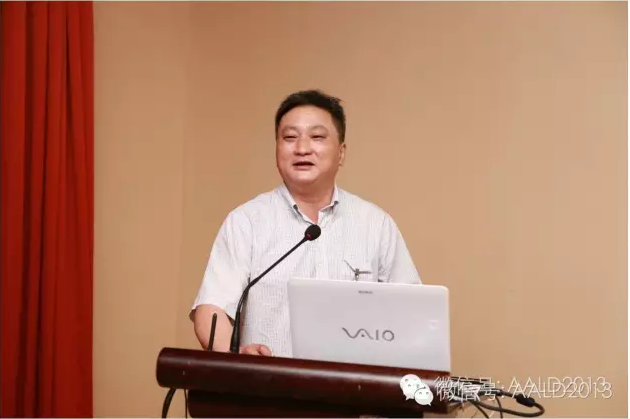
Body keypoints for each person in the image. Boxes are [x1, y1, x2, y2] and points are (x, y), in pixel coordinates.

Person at [190, 89, 421, 357]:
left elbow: (411, 315)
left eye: (317, 137)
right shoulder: (246, 222)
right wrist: (236, 355)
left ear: (341, 153)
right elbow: (212, 309)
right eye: (290, 137)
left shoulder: (376, 225)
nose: (302, 148)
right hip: (266, 382)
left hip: (353, 384)